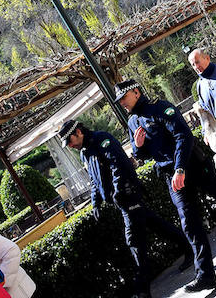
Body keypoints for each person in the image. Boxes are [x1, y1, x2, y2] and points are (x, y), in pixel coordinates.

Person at [116, 79, 216, 292]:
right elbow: (141, 154)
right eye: (119, 100)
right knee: (188, 222)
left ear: (135, 92)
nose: (122, 102)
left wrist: (180, 168)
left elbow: (183, 136)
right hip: (172, 175)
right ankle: (206, 275)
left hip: (192, 165)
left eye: (124, 97)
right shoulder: (133, 122)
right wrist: (139, 147)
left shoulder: (160, 108)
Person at [59, 120, 191, 298]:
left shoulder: (102, 140)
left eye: (70, 141)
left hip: (128, 195)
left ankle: (142, 290)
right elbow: (94, 180)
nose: (70, 145)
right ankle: (189, 247)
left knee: (134, 241)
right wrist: (96, 203)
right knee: (156, 224)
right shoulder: (85, 153)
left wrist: (118, 192)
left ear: (79, 132)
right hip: (120, 201)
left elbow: (119, 166)